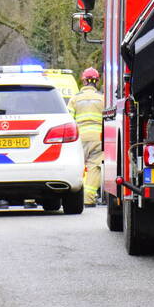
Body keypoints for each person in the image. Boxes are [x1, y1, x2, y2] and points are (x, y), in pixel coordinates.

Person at [68, 67, 104, 205]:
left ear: (83, 81)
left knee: (78, 167)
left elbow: (69, 120)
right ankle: (88, 198)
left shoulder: (74, 100)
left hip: (79, 139)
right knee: (94, 167)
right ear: (97, 81)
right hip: (98, 139)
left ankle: (75, 198)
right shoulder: (102, 98)